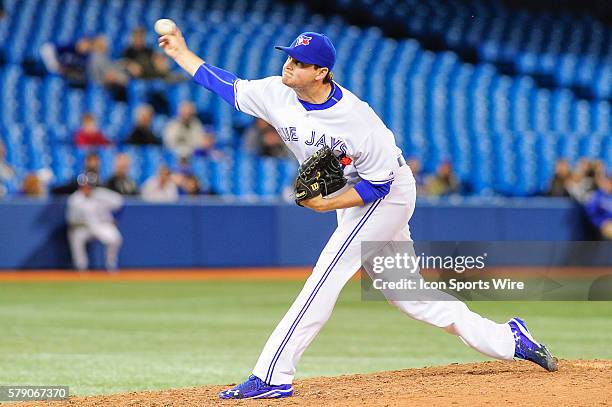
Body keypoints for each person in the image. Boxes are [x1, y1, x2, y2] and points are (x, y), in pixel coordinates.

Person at [159, 29, 557, 399]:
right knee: (409, 296)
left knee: (326, 276)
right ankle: (509, 338)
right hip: (359, 195)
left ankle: (272, 376)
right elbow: (223, 84)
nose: (289, 66)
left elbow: (378, 186)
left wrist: (325, 204)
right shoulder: (275, 92)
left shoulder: (356, 119)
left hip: (387, 194)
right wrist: (180, 51)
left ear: (321, 72)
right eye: (289, 58)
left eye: (299, 63)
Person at [66, 172, 123, 271]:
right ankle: (81, 267)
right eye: (84, 185)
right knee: (76, 237)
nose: (87, 188)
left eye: (89, 185)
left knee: (115, 238)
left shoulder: (102, 194)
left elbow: (120, 202)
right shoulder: (75, 199)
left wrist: (115, 218)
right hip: (83, 227)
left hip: (102, 225)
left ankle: (111, 265)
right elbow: (70, 220)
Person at [584, 174, 612, 240]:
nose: (608, 184)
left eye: (609, 182)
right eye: (605, 182)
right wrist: (601, 223)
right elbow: (591, 214)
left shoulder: (610, 196)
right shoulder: (596, 196)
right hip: (603, 224)